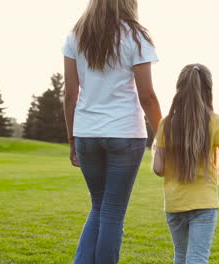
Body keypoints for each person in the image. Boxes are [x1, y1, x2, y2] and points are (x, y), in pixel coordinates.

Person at [62, 0, 162, 263]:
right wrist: (162, 136)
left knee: (99, 208)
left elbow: (69, 95)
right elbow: (148, 97)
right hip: (125, 133)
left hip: (86, 134)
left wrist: (72, 139)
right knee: (113, 213)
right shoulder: (137, 36)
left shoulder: (76, 35)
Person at [153, 63, 219, 264]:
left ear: (179, 88)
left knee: (181, 257)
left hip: (175, 203)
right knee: (197, 259)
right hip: (204, 202)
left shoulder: (167, 123)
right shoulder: (215, 120)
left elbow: (158, 169)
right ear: (208, 89)